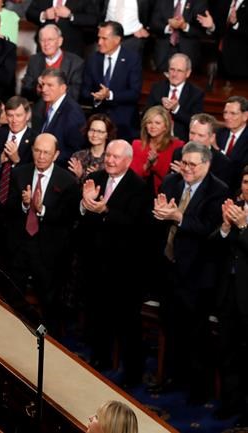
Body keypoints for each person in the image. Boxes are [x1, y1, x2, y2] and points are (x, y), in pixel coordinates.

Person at [152, 142, 229, 403]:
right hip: (169, 268)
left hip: (198, 275)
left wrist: (178, 216)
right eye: (184, 163)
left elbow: (210, 229)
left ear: (206, 164)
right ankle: (171, 377)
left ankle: (198, 390)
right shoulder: (172, 182)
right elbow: (158, 218)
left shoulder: (218, 191)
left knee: (196, 335)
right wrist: (161, 215)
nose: (186, 168)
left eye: (192, 164)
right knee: (170, 328)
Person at [79, 140, 151, 386]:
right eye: (108, 155)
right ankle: (101, 359)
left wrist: (105, 210)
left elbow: (136, 225)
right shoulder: (96, 178)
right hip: (95, 263)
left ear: (128, 161)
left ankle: (133, 373)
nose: (109, 160)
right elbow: (83, 217)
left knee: (127, 323)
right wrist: (84, 204)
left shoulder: (139, 187)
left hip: (124, 269)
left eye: (116, 157)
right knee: (97, 315)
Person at [6, 133, 79, 329]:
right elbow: (7, 209)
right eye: (37, 151)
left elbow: (68, 218)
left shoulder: (67, 181)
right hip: (19, 248)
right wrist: (24, 204)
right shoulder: (19, 173)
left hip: (48, 252)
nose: (41, 156)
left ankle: (49, 346)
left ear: (56, 155)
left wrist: (41, 210)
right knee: (13, 301)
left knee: (49, 305)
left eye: (46, 152)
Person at [214, 167, 248, 425]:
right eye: (246, 182)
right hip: (228, 293)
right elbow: (213, 246)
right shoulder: (234, 207)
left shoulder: (242, 216)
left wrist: (244, 227)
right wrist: (225, 227)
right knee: (228, 351)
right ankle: (229, 402)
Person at [80, 21, 142, 142]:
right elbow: (84, 91)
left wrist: (110, 95)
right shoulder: (93, 59)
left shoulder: (132, 59)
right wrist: (97, 97)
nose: (99, 42)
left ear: (117, 39)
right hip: (98, 122)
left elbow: (134, 93)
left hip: (124, 123)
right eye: (99, 38)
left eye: (104, 38)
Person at [31, 68, 85, 166]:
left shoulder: (72, 112)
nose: (44, 89)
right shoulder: (47, 105)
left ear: (63, 88)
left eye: (50, 85)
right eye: (43, 84)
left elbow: (75, 151)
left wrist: (48, 159)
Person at [144, 53, 204, 142]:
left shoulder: (196, 93)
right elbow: (146, 114)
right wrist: (160, 109)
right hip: (156, 138)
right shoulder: (157, 88)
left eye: (179, 71)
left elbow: (195, 123)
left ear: (188, 73)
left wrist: (176, 109)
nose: (174, 74)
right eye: (172, 69)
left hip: (181, 140)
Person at [19, 24, 84, 103]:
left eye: (50, 39)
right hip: (40, 109)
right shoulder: (34, 60)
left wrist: (52, 88)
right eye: (42, 40)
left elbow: (76, 93)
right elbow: (25, 90)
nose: (46, 44)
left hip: (64, 109)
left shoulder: (75, 63)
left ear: (60, 41)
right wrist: (38, 87)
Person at [130, 106, 185, 194]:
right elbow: (132, 177)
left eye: (157, 123)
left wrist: (156, 164)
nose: (152, 126)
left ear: (166, 126)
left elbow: (173, 179)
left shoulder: (177, 146)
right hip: (138, 193)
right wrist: (147, 166)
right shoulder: (137, 145)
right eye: (149, 122)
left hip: (165, 194)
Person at [170, 113, 234, 188]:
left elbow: (219, 192)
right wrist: (177, 177)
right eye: (192, 133)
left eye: (200, 135)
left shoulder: (222, 162)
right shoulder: (179, 153)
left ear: (212, 138)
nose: (194, 139)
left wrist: (187, 175)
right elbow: (170, 184)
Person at [25, 0, 98, 57]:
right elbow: (29, 13)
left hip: (71, 49)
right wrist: (44, 15)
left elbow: (93, 19)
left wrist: (70, 15)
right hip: (45, 49)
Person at [149, 0, 206, 72]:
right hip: (164, 50)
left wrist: (184, 26)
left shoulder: (199, 2)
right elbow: (154, 23)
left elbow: (201, 31)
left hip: (188, 51)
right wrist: (169, 27)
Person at [69, 114, 116, 183]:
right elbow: (70, 186)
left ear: (107, 134)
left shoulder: (111, 159)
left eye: (100, 132)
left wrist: (97, 176)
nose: (95, 135)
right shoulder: (78, 156)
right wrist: (80, 176)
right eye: (92, 130)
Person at [216, 96, 248, 190]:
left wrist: (217, 150)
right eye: (225, 112)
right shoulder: (218, 133)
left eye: (233, 113)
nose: (226, 117)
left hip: (236, 188)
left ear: (245, 116)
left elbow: (238, 169)